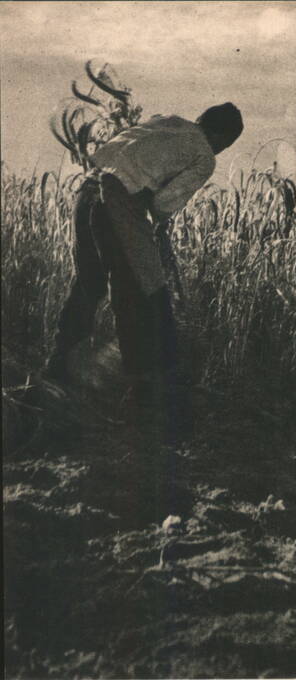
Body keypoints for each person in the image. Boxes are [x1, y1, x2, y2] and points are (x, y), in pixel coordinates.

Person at [44, 103, 243, 438]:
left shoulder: (166, 120)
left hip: (88, 193)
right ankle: (144, 394)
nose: (221, 149)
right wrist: (158, 227)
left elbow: (111, 152)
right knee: (142, 292)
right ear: (222, 138)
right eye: (225, 144)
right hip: (119, 205)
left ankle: (58, 366)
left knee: (89, 284)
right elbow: (163, 204)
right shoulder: (205, 155)